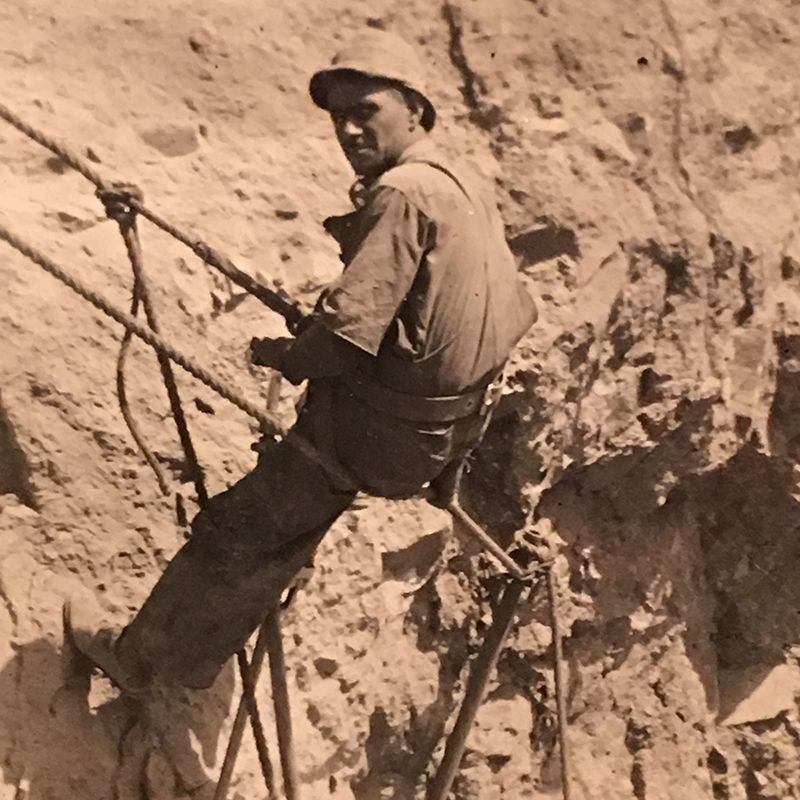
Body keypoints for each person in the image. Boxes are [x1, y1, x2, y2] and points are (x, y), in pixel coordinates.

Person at [64, 28, 537, 695]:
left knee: (245, 521)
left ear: (415, 111)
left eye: (364, 111)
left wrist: (287, 353)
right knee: (291, 509)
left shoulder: (399, 195)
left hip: (379, 438)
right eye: (339, 117)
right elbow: (507, 314)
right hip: (440, 439)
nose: (348, 130)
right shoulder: (461, 183)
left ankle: (145, 662)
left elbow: (342, 341)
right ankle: (215, 637)